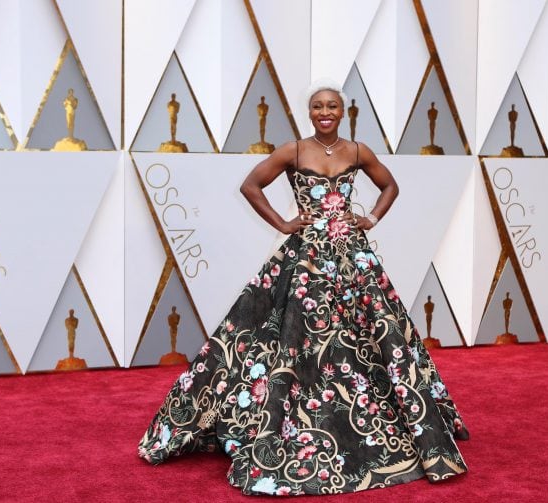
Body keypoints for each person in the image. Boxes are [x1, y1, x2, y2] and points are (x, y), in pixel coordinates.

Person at [137, 80, 469, 496]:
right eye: (317, 106)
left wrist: (371, 219)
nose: (325, 112)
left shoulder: (359, 151)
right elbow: (250, 186)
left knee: (371, 331)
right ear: (309, 112)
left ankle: (377, 417)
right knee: (295, 333)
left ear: (342, 112)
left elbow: (391, 186)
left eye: (332, 106)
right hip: (307, 256)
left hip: (352, 256)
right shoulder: (293, 151)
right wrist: (284, 223)